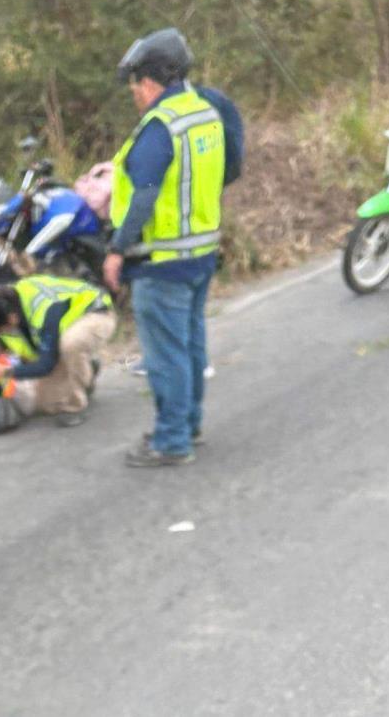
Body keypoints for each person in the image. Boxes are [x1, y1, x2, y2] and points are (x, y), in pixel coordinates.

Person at [102, 28, 244, 467]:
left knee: (165, 357)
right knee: (190, 346)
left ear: (150, 81)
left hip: (162, 260)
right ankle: (189, 425)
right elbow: (230, 168)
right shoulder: (206, 112)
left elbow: (142, 196)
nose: (134, 93)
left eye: (136, 84)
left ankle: (171, 440)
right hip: (202, 253)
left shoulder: (160, 126)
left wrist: (116, 248)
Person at [0, 275, 116, 427]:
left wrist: (3, 371)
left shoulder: (45, 309)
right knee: (47, 403)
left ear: (12, 318)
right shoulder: (10, 309)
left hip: (95, 314)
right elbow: (23, 352)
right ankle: (87, 369)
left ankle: (76, 405)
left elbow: (45, 365)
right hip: (61, 333)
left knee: (72, 343)